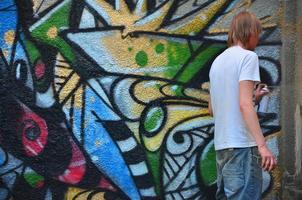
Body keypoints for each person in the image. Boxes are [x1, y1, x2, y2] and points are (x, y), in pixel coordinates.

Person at [208, 11, 277, 200]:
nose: (259, 38)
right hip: (242, 146)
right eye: (258, 32)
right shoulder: (248, 57)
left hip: (222, 146)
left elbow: (213, 109)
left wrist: (254, 97)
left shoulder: (216, 63)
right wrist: (262, 146)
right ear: (250, 31)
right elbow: (244, 105)